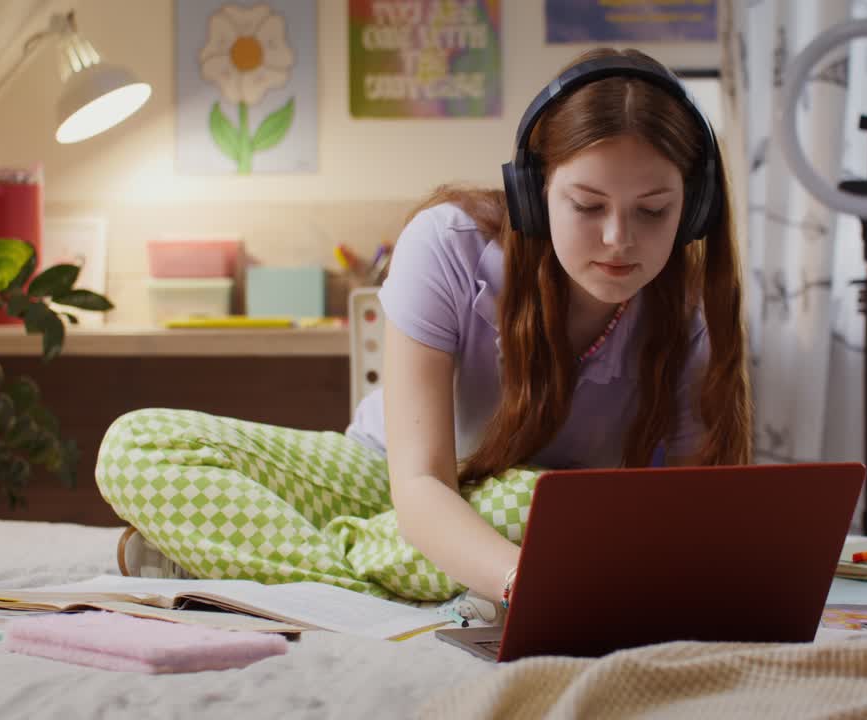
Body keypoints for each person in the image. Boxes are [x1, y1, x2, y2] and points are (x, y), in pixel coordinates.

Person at [95, 47, 751, 620]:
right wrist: (527, 581)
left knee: (547, 502)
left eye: (653, 210)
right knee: (137, 445)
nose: (619, 238)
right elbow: (420, 485)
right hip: (391, 479)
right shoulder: (449, 244)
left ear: (691, 209)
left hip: (525, 510)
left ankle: (304, 562)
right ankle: (389, 577)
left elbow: (684, 514)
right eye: (587, 206)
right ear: (534, 191)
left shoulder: (687, 312)